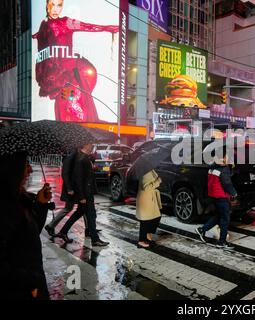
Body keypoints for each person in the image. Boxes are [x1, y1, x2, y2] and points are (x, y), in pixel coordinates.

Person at [32, 0, 119, 122]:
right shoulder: (44, 27)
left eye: (59, 5)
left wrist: (109, 28)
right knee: (63, 106)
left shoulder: (66, 22)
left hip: (73, 73)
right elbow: (43, 38)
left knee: (73, 106)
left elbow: (88, 27)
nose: (56, 9)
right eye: (53, 4)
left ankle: (79, 127)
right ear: (47, 5)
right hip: (57, 75)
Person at [0, 153, 54, 299]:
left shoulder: (20, 197)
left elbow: (30, 235)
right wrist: (30, 281)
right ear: (11, 169)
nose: (30, 170)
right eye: (25, 165)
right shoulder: (5, 207)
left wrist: (41, 205)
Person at [56, 144, 109, 246]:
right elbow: (79, 179)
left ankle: (63, 232)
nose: (92, 145)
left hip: (86, 192)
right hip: (85, 193)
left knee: (80, 213)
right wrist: (82, 196)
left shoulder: (85, 158)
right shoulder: (81, 159)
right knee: (91, 215)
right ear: (85, 145)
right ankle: (95, 239)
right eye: (90, 144)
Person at [196, 154, 237, 249]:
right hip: (221, 196)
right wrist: (233, 193)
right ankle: (222, 242)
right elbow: (227, 183)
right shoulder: (223, 169)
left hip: (213, 195)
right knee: (225, 219)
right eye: (226, 156)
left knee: (219, 216)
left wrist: (229, 167)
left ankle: (202, 229)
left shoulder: (212, 167)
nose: (228, 158)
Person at [136, 169, 163, 249]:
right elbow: (146, 187)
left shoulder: (149, 169)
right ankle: (141, 241)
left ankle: (148, 236)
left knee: (156, 217)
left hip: (150, 198)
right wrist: (158, 181)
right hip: (146, 199)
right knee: (145, 221)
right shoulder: (144, 172)